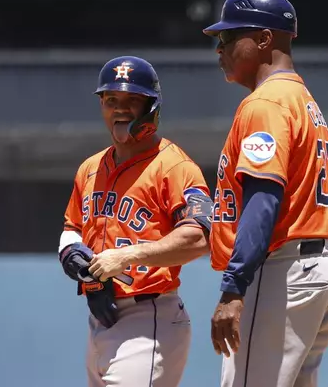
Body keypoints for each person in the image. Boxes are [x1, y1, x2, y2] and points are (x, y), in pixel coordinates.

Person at [202, 0, 328, 386]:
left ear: (264, 39)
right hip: (315, 268)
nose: (220, 49)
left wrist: (233, 289)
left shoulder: (266, 102)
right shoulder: (303, 99)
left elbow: (263, 200)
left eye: (229, 38)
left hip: (280, 268)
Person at [57, 55, 213, 386]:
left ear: (151, 108)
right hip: (100, 316)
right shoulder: (90, 168)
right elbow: (72, 227)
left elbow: (200, 237)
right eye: (112, 99)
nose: (121, 108)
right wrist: (70, 253)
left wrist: (128, 255)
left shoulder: (174, 166)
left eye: (132, 100)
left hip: (149, 318)